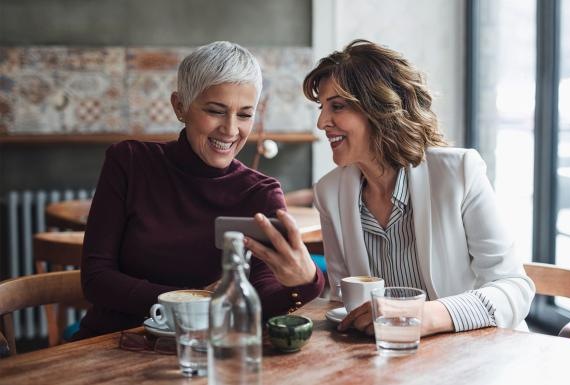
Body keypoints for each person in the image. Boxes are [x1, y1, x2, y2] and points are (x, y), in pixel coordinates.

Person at [76, 41, 324, 339]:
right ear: (180, 106)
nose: (231, 129)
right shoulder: (129, 162)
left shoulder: (260, 193)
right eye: (216, 111)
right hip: (114, 342)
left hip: (206, 350)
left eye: (245, 115)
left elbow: (261, 300)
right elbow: (96, 279)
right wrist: (194, 301)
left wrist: (306, 281)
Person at [302, 40, 534, 336]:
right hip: (385, 360)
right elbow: (340, 300)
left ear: (380, 108)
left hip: (476, 355)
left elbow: (515, 288)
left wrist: (425, 315)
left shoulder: (459, 172)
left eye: (338, 106)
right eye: (322, 108)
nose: (322, 122)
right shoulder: (329, 193)